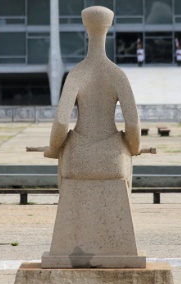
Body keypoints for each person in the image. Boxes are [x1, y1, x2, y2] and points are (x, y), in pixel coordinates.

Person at [44, 6, 141, 188]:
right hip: (113, 160)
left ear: (85, 25)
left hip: (77, 159)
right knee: (125, 159)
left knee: (65, 159)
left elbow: (62, 121)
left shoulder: (76, 74)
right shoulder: (117, 74)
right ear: (109, 25)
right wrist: (134, 148)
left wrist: (53, 149)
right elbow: (133, 124)